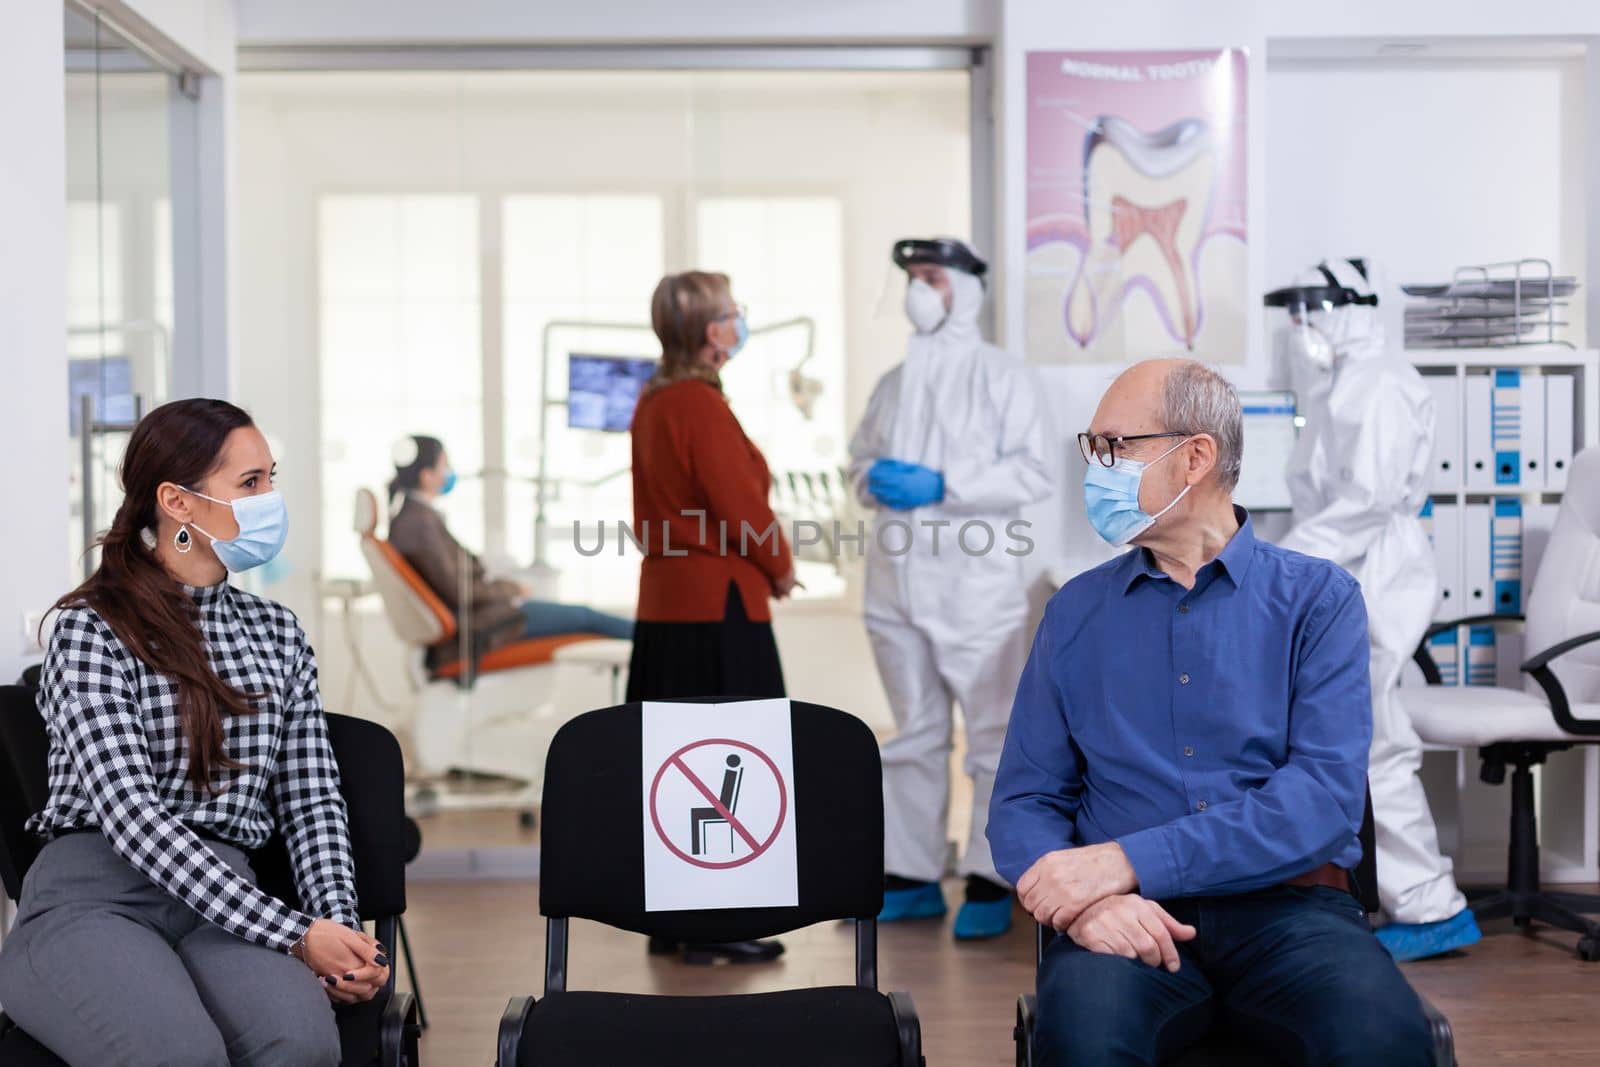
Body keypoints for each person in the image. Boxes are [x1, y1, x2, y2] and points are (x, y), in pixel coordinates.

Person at [989, 360, 1434, 1067]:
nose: (1096, 470)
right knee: (1081, 1042)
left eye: (1115, 447)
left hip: (1291, 914)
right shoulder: (1074, 612)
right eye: (1093, 449)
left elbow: (1321, 802)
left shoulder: (1319, 601)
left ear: (1194, 457)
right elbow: (1022, 801)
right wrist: (1087, 902)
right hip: (1124, 919)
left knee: (1383, 1040)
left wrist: (1125, 860)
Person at [0, 398, 389, 1067]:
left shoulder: (277, 633)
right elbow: (132, 819)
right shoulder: (91, 628)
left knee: (301, 1043)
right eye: (250, 482)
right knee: (174, 1053)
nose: (270, 498)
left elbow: (312, 802)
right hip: (96, 894)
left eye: (272, 477)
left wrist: (341, 931)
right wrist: (297, 933)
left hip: (225, 899)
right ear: (177, 503)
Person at [1270, 258, 1478, 962]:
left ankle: (1429, 907)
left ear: (1346, 306)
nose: (1299, 327)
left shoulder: (1381, 381)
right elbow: (1319, 498)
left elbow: (1367, 502)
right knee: (1354, 742)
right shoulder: (1337, 384)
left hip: (1379, 574)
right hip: (1344, 572)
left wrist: (1281, 559)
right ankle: (1388, 895)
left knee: (1378, 741)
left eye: (1308, 310)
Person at [848, 237, 1051, 940]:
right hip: (895, 580)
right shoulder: (893, 381)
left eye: (929, 277)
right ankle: (909, 872)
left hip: (975, 586)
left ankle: (992, 875)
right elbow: (858, 459)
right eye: (909, 277)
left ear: (965, 287)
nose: (916, 289)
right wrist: (870, 479)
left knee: (992, 735)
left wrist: (947, 486)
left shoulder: (1004, 376)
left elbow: (1033, 473)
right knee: (913, 732)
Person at [627, 269, 796, 964]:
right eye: (731, 312)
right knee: (735, 764)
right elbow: (741, 508)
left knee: (675, 763)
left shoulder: (653, 401)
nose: (739, 320)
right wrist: (781, 565)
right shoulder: (700, 404)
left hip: (666, 603)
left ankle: (676, 918)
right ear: (708, 331)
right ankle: (721, 917)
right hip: (718, 605)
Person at [386, 434, 633, 675]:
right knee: (585, 617)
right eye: (444, 465)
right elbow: (459, 591)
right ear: (426, 476)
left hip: (487, 615)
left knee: (585, 616)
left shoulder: (415, 517)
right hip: (485, 625)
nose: (450, 471)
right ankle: (658, 641)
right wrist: (510, 591)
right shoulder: (417, 523)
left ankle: (655, 638)